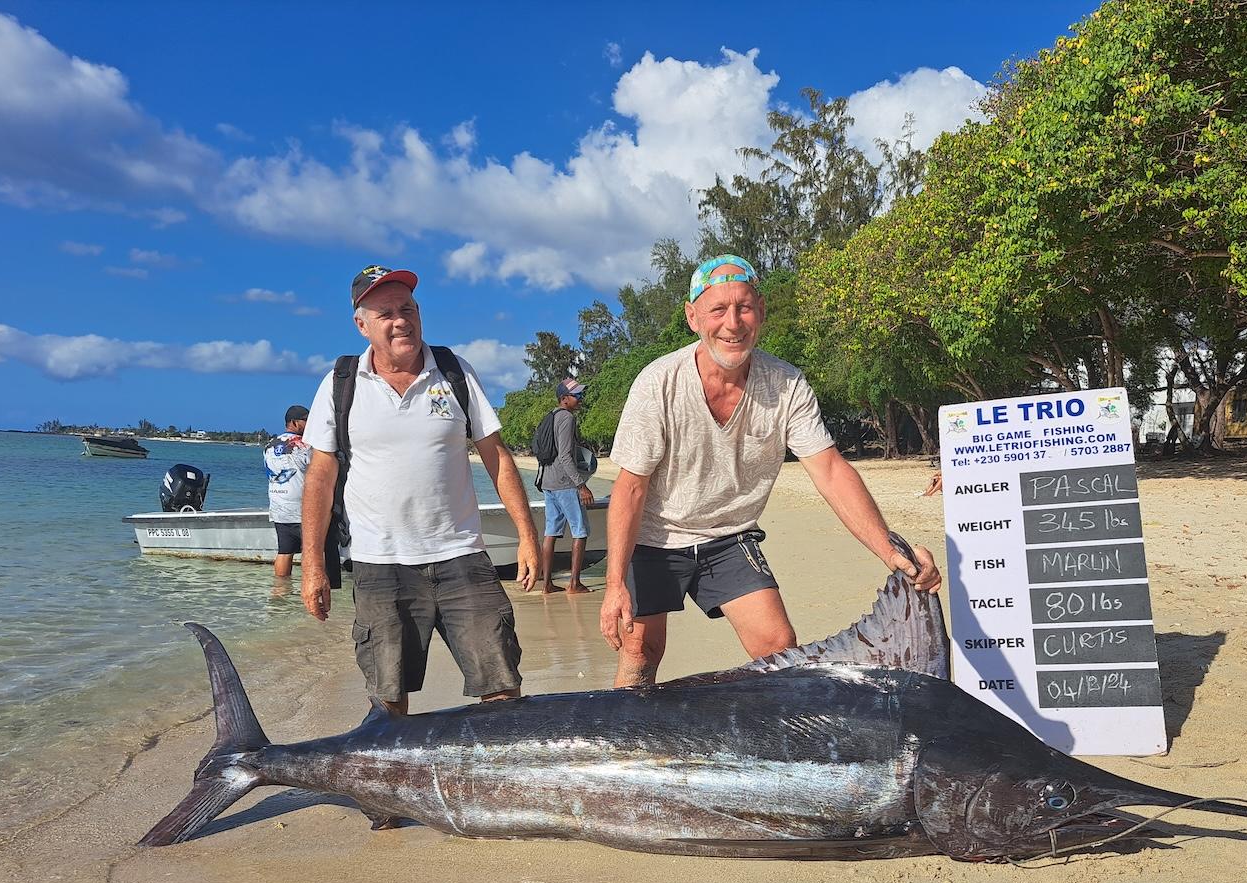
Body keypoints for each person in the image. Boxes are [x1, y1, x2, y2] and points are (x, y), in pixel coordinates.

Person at [599, 253, 942, 687]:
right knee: (641, 652)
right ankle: (627, 748)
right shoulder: (658, 382)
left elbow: (831, 470)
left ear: (761, 311)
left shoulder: (787, 384)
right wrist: (614, 583)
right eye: (717, 309)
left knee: (780, 649)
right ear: (692, 317)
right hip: (653, 537)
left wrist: (891, 550)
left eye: (743, 307)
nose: (733, 323)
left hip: (729, 535)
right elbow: (630, 488)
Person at [300, 265, 540, 717]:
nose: (401, 320)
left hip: (462, 556)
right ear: (362, 324)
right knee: (388, 699)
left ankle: (498, 786)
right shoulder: (341, 383)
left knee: (502, 686)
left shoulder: (453, 371)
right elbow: (319, 477)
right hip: (379, 562)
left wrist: (526, 535)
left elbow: (497, 456)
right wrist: (313, 565)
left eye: (408, 308)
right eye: (386, 312)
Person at [538, 376, 596, 594]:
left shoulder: (551, 416)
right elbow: (564, 456)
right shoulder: (567, 418)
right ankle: (574, 584)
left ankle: (546, 585)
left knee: (551, 531)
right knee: (580, 531)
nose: (581, 399)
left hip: (549, 482)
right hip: (564, 484)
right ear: (564, 399)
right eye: (577, 395)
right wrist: (581, 485)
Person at [263, 404, 311, 578]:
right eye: (306, 420)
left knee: (284, 551)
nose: (310, 423)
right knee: (312, 552)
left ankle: (281, 591)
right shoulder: (305, 445)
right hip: (302, 508)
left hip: (278, 506)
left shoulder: (269, 445)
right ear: (294, 423)